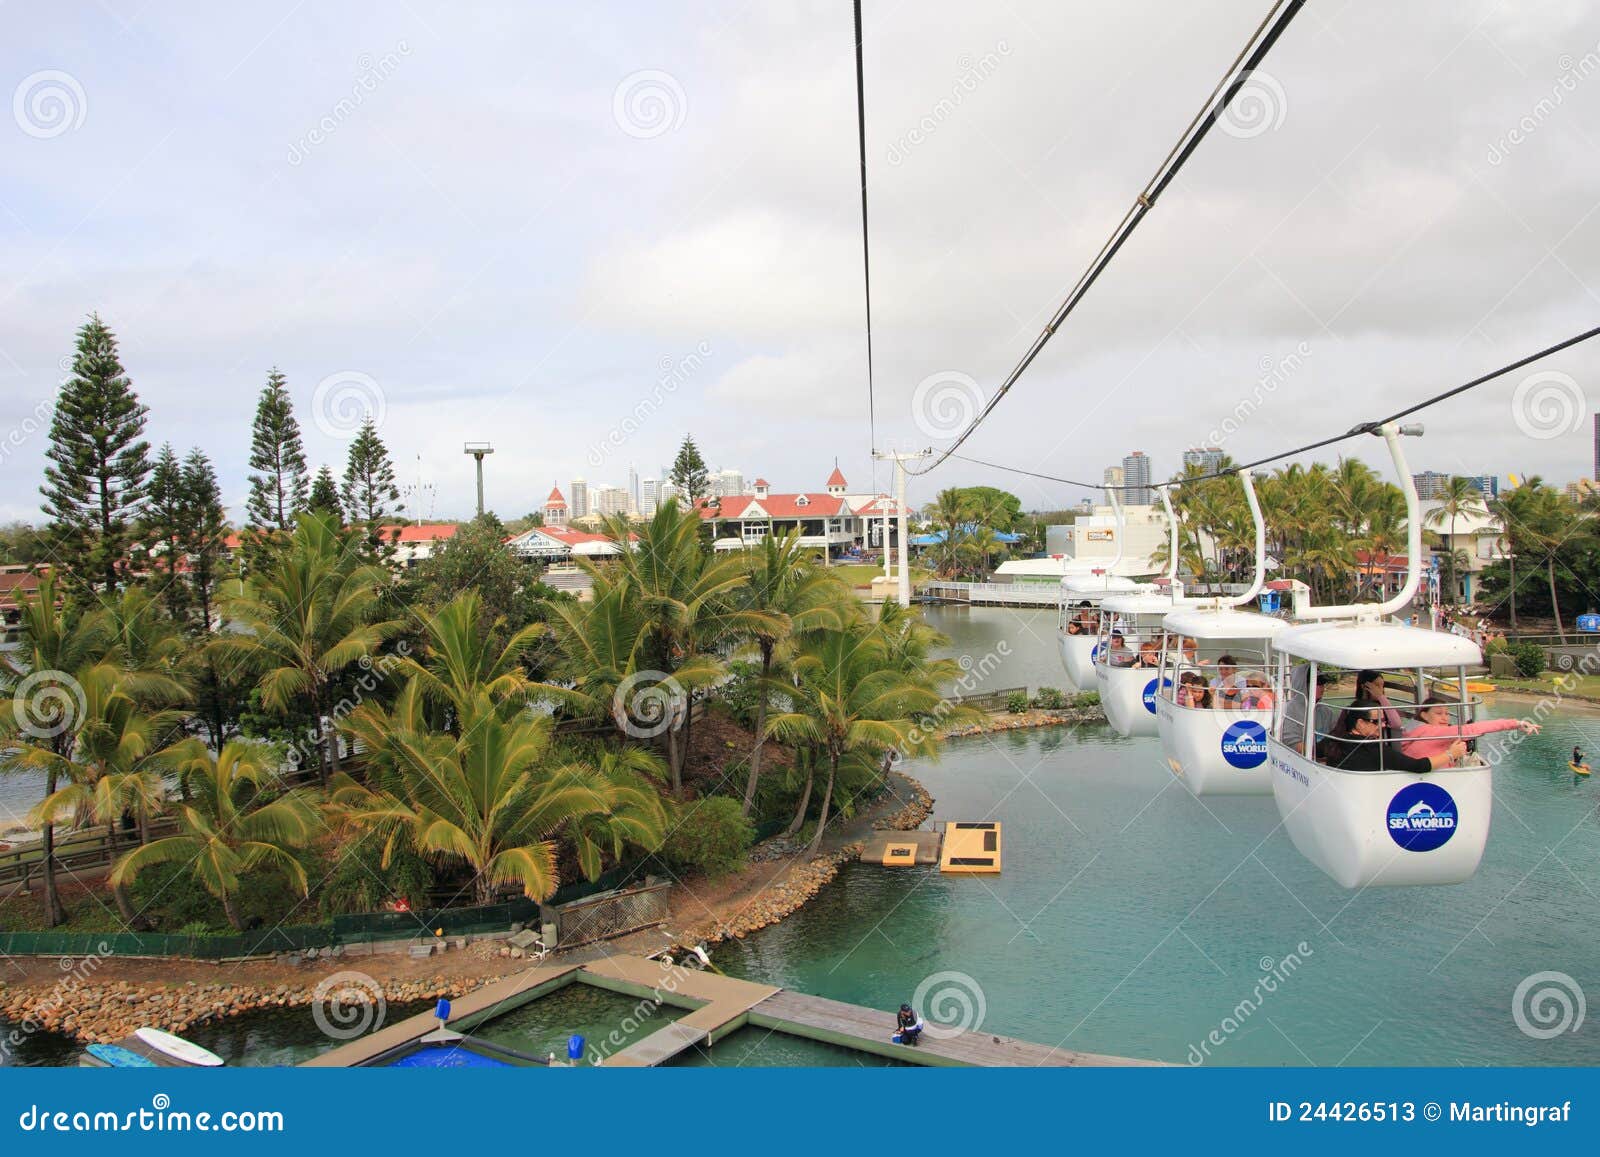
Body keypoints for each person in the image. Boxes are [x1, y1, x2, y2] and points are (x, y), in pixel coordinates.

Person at [1333, 701, 1466, 772]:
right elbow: (1418, 766)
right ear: (1360, 723)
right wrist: (1451, 754)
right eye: (1377, 721)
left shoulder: (1335, 740)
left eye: (1383, 721)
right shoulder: (1373, 749)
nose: (1383, 725)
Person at [1398, 696, 1538, 758]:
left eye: (1447, 713)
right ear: (1424, 715)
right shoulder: (1431, 731)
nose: (1445, 718)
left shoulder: (1412, 728)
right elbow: (1473, 729)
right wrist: (1516, 723)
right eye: (1438, 713)